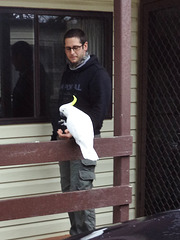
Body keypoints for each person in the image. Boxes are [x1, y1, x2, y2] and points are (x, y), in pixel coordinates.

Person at [52, 28, 111, 236]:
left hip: (84, 142)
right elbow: (61, 104)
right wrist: (57, 132)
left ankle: (87, 236)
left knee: (81, 193)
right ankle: (76, 234)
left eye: (76, 48)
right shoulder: (68, 72)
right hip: (65, 143)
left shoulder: (98, 74)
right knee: (68, 193)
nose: (72, 52)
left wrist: (76, 134)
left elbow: (99, 112)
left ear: (85, 46)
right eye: (67, 48)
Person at [11, 41, 49, 117]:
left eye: (13, 57)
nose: (12, 61)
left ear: (20, 57)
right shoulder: (25, 75)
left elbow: (27, 103)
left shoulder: (34, 77)